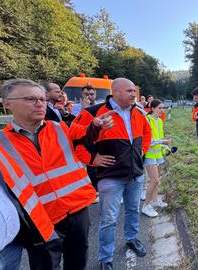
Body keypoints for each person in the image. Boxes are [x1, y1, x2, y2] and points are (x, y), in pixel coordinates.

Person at [0, 78, 114, 270]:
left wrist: (97, 125)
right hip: (38, 219)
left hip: (76, 211)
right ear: (7, 103)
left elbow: (86, 133)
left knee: (77, 261)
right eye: (30, 99)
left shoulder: (60, 127)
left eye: (42, 99)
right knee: (45, 265)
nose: (40, 104)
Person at [73, 78, 151, 270]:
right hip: (110, 176)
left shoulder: (138, 111)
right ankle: (105, 258)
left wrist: (142, 151)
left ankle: (131, 239)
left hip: (135, 173)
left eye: (135, 91)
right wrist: (92, 159)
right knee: (108, 219)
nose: (134, 94)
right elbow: (75, 140)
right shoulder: (93, 113)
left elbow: (147, 133)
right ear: (115, 91)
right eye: (130, 91)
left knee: (133, 210)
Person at [141, 99, 170, 218]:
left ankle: (155, 200)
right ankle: (145, 206)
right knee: (154, 180)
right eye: (160, 108)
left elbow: (159, 137)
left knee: (157, 179)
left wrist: (164, 148)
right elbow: (148, 140)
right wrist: (163, 141)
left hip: (158, 155)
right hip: (149, 154)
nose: (162, 110)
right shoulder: (147, 120)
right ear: (152, 108)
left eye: (163, 108)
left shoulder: (159, 121)